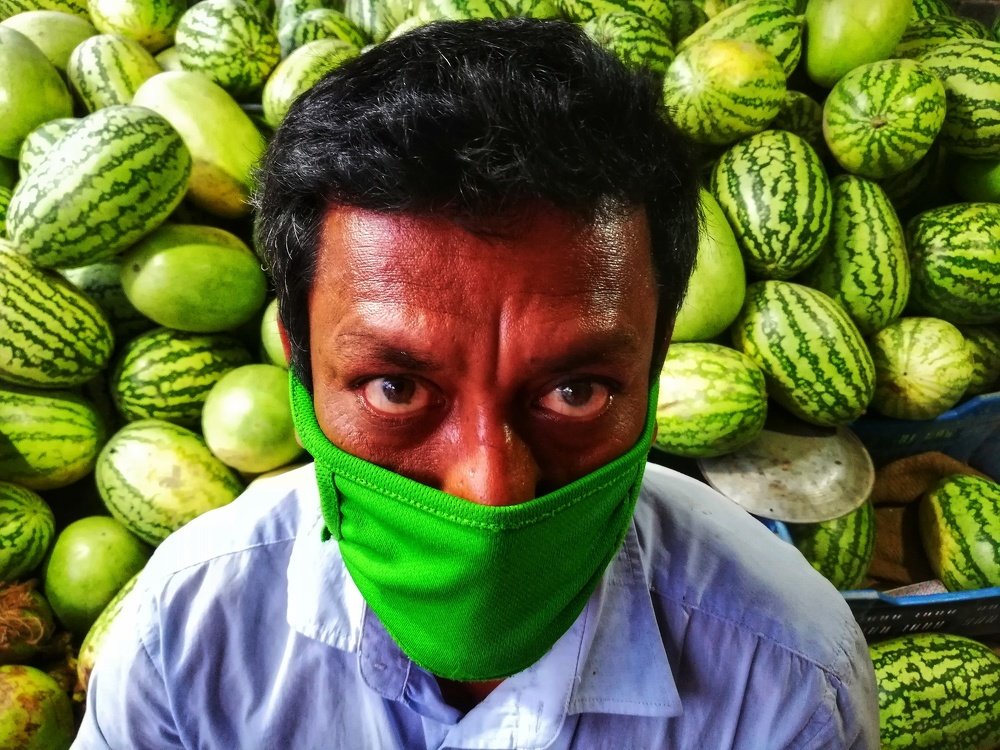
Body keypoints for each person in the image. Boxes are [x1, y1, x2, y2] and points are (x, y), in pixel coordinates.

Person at [74, 18, 880, 749]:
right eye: (394, 389)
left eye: (576, 392)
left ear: (656, 362)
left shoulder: (790, 684)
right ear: (300, 361)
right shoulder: (183, 634)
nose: (489, 492)